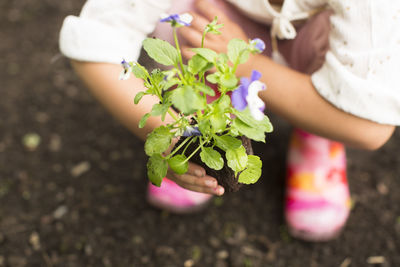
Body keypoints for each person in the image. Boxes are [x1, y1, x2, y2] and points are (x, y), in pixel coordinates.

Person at [59, 0, 398, 241]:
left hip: (314, 43)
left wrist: (243, 63)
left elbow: (369, 126)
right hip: (228, 21)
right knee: (187, 21)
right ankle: (203, 122)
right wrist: (171, 137)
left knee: (350, 88)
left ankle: (318, 131)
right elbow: (95, 40)